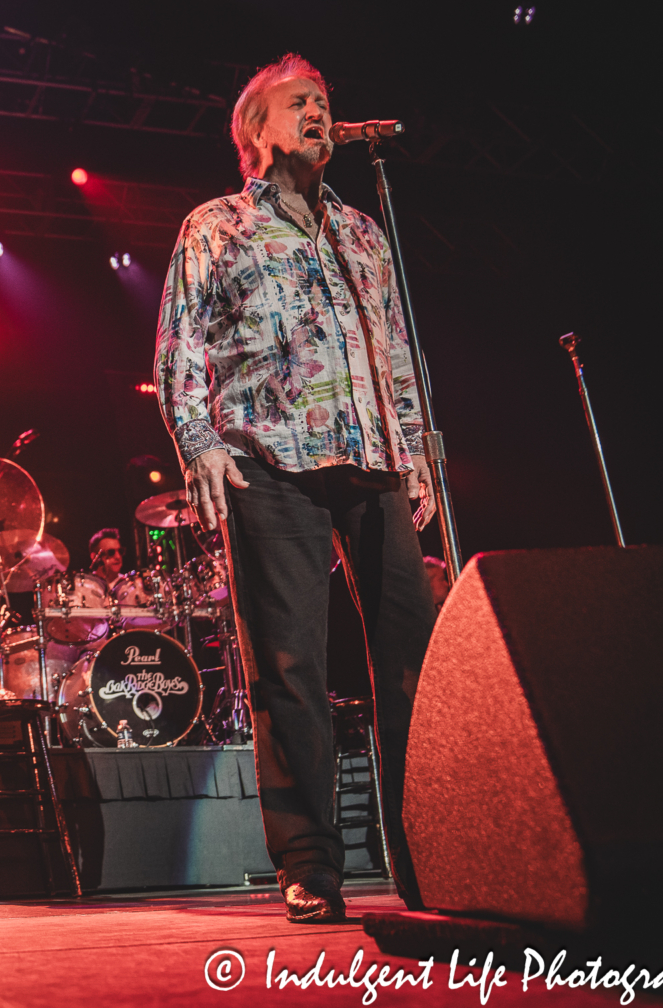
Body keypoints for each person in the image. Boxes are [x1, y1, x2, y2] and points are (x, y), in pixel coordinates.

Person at [154, 53, 437, 923]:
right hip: (269, 462)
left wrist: (417, 446)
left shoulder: (362, 234)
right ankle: (312, 862)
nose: (318, 111)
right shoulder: (215, 225)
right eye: (297, 103)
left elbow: (394, 348)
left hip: (373, 457)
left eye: (323, 101)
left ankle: (429, 849)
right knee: (291, 669)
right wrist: (198, 440)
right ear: (256, 134)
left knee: (416, 662)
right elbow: (179, 338)